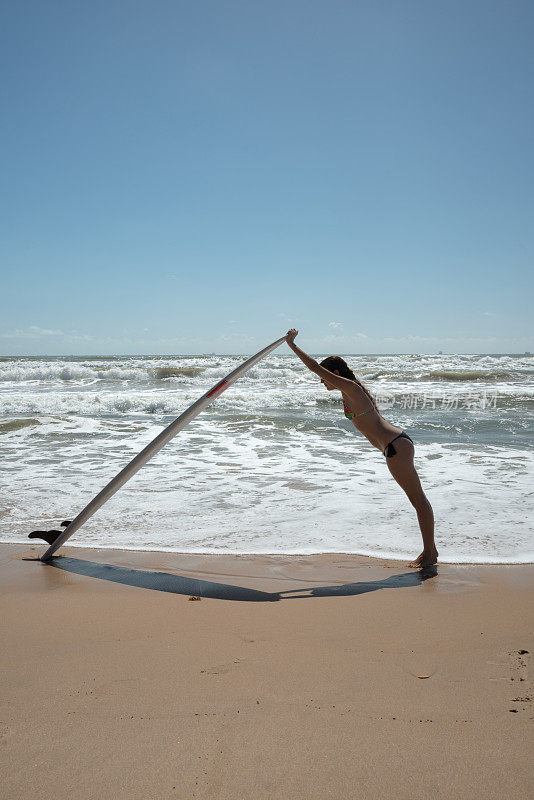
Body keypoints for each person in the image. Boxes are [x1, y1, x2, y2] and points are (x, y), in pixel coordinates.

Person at [286, 329, 438, 568]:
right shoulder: (350, 392)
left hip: (396, 446)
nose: (321, 381)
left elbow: (314, 367)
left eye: (325, 377)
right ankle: (430, 552)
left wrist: (292, 345)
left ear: (334, 374)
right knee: (417, 500)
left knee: (418, 500)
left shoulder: (352, 388)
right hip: (394, 446)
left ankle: (430, 554)